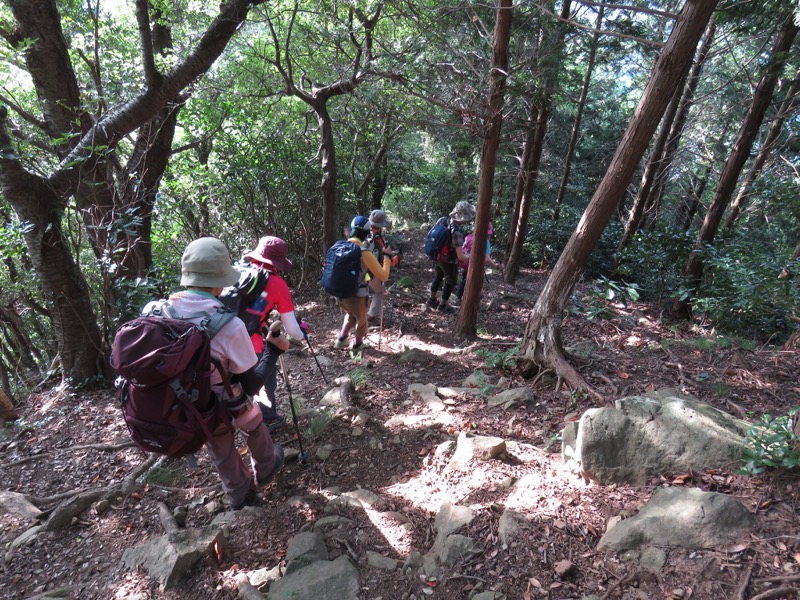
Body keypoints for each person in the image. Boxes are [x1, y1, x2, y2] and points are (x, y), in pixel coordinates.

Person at [143, 237, 284, 510]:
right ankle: (266, 467)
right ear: (221, 281)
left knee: (218, 442)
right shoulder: (229, 326)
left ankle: (238, 494)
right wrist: (272, 350)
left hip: (181, 404)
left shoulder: (156, 312)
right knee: (251, 414)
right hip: (220, 401)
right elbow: (252, 383)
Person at [241, 236, 308, 431]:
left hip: (224, 338)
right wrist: (302, 334)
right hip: (252, 342)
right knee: (265, 380)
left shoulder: (238, 272)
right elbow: (293, 331)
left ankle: (241, 419)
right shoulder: (277, 283)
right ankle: (267, 419)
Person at [334, 216, 393, 351]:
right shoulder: (363, 251)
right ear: (366, 233)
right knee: (362, 320)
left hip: (338, 292)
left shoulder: (341, 245)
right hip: (355, 294)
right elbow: (383, 275)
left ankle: (341, 340)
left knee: (351, 314)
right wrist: (387, 257)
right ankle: (358, 345)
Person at [426, 200, 475, 313]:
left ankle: (431, 300)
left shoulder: (443, 220)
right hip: (449, 261)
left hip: (436, 256)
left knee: (438, 276)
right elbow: (461, 257)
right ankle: (443, 306)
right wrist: (472, 255)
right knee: (450, 281)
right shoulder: (456, 232)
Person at [365, 209, 399, 325]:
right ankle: (371, 316)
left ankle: (363, 315)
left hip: (359, 270)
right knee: (379, 291)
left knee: (364, 291)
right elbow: (374, 257)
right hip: (370, 271)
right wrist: (388, 257)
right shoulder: (375, 238)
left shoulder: (364, 232)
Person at [455, 221, 498, 303]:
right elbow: (487, 258)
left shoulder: (469, 237)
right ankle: (472, 298)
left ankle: (458, 297)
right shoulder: (485, 242)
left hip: (465, 263)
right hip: (475, 265)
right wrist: (497, 266)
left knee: (464, 279)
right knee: (475, 281)